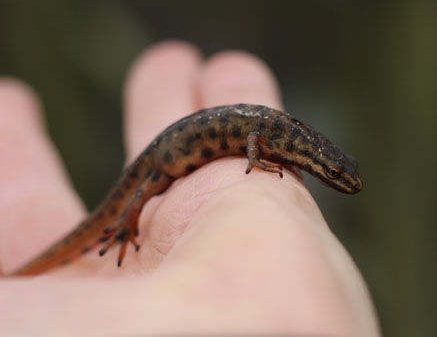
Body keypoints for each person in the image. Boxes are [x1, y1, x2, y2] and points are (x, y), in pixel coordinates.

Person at [0, 42, 380, 336]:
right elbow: (252, 136)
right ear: (318, 161)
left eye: (336, 172)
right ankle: (123, 226)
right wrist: (254, 161)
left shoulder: (295, 142)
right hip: (164, 159)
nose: (342, 180)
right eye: (334, 172)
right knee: (139, 196)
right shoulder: (286, 141)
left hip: (183, 145)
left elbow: (257, 134)